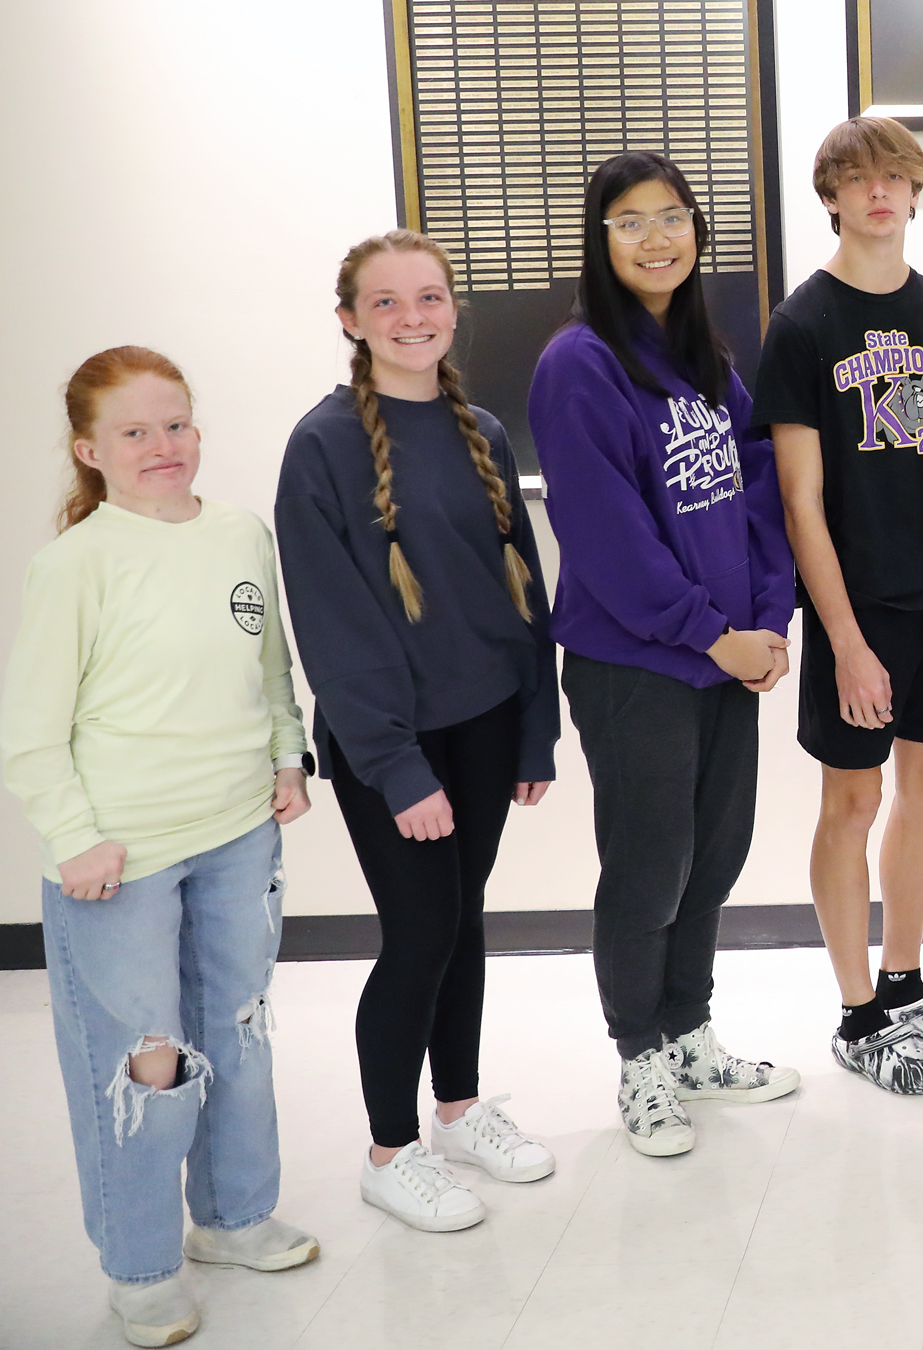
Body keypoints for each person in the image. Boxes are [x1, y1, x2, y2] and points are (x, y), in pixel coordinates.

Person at [2, 348, 319, 1347]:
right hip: (120, 858)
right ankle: (140, 1268)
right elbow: (28, 729)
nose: (162, 446)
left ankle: (232, 1218)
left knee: (238, 1032)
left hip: (238, 831)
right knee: (146, 1063)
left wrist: (287, 756)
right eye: (134, 431)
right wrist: (75, 837)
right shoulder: (75, 564)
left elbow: (268, 664)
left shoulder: (239, 532)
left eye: (175, 424)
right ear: (89, 450)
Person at [276, 229, 562, 1230]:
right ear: (350, 321)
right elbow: (331, 623)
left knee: (462, 918)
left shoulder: (482, 430)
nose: (412, 318)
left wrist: (536, 728)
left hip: (486, 722)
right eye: (386, 302)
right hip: (389, 742)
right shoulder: (322, 445)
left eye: (429, 298)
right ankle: (389, 1152)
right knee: (420, 933)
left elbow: (523, 593)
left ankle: (459, 1110)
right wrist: (397, 767)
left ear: (452, 309)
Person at [529, 151, 798, 1157]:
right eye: (631, 222)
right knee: (649, 871)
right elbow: (607, 535)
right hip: (639, 665)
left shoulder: (705, 358)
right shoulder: (579, 363)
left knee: (714, 860)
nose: (657, 238)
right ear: (600, 243)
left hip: (728, 657)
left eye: (673, 217)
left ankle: (691, 1038)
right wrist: (711, 634)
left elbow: (759, 491)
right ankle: (639, 1059)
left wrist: (768, 623)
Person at [753, 116, 923, 1093]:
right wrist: (847, 642)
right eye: (858, 179)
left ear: (914, 191)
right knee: (853, 800)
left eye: (895, 176)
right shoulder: (801, 326)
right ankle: (858, 1015)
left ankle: (904, 981)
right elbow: (800, 502)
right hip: (861, 614)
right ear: (831, 197)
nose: (878, 193)